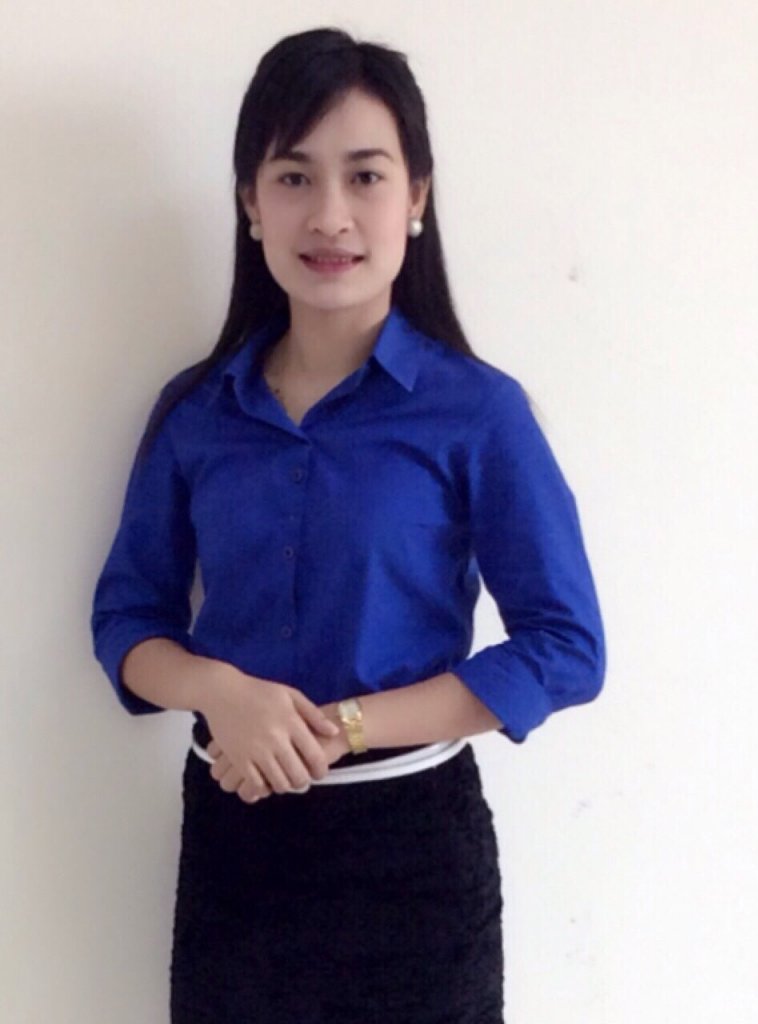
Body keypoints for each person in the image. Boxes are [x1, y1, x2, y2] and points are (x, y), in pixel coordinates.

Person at [90, 25, 606, 1024]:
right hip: (234, 850)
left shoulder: (478, 412)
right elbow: (126, 621)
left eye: (365, 175)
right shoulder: (195, 414)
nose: (329, 214)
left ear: (416, 197)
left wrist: (343, 729)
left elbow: (566, 647)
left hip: (413, 859)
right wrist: (219, 691)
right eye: (293, 177)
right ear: (250, 202)